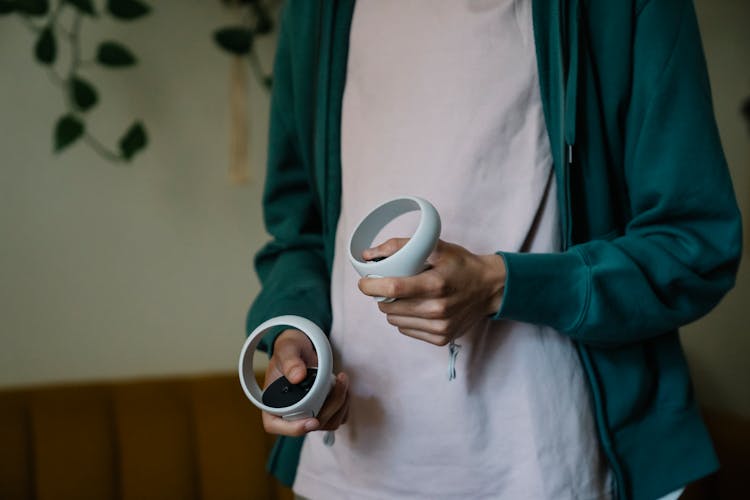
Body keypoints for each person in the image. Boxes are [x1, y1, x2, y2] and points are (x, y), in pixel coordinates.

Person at [246, 1, 743, 499]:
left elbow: (695, 243)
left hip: (552, 468)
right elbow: (298, 235)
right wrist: (294, 332)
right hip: (347, 472)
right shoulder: (313, 12)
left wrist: (502, 285)